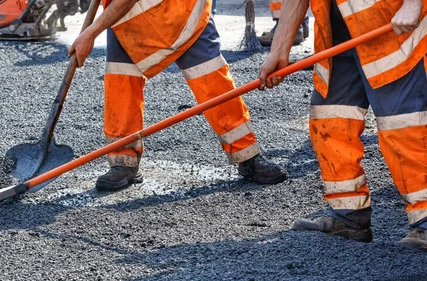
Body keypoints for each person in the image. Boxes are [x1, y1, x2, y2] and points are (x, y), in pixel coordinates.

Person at [258, 0, 427, 248]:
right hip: (338, 34)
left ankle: (424, 219)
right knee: (330, 121)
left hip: (393, 29)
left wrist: (414, 3)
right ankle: (349, 215)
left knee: (403, 127)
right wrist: (279, 49)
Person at [69, 0, 288, 191]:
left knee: (210, 77)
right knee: (121, 79)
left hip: (182, 13)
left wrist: (90, 33)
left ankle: (247, 155)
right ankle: (123, 161)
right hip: (128, 21)